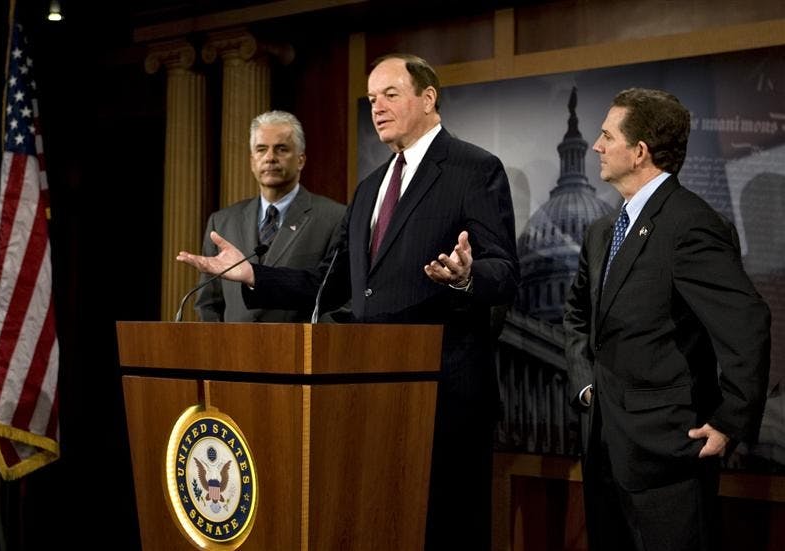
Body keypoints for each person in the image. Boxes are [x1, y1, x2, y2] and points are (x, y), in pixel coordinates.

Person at [177, 53, 518, 550]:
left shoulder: (474, 169)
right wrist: (253, 275)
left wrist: (468, 276)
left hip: (444, 400)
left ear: (428, 98)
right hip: (370, 399)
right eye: (372, 97)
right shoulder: (371, 188)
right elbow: (328, 285)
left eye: (391, 94)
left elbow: (504, 272)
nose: (377, 107)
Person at [563, 87, 771, 551]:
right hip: (602, 448)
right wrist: (585, 384)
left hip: (668, 457)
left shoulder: (690, 224)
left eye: (606, 135)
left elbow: (748, 320)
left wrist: (730, 420)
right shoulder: (601, 232)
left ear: (639, 153)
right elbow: (578, 315)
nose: (597, 146)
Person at [194, 110, 346, 322]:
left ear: (301, 160)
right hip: (233, 352)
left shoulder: (335, 218)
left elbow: (340, 301)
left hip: (298, 351)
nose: (270, 158)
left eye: (281, 149)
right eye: (261, 149)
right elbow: (208, 304)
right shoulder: (222, 222)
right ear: (252, 160)